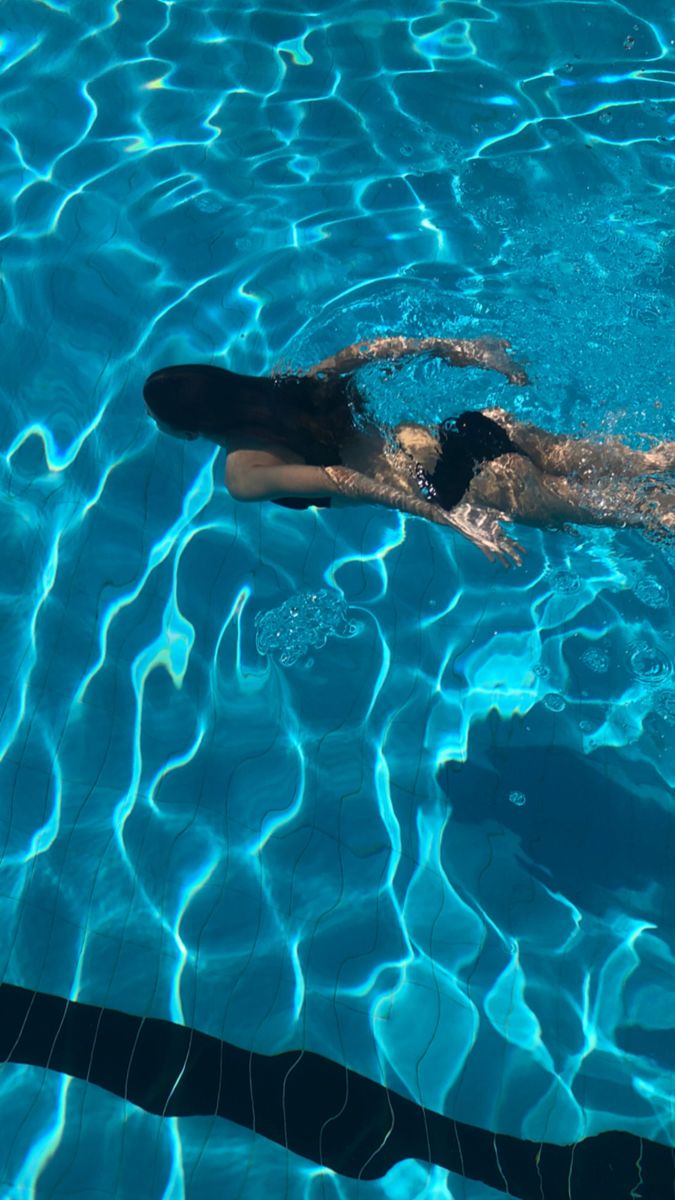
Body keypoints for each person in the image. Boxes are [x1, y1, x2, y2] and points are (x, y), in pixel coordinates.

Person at [143, 335, 675, 567]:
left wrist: (451, 516)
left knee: (653, 514)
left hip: (460, 483)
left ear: (191, 430)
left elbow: (344, 481)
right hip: (473, 428)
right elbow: (370, 350)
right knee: (652, 461)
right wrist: (462, 350)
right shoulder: (293, 386)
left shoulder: (244, 472)